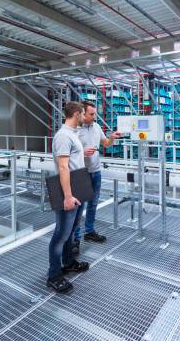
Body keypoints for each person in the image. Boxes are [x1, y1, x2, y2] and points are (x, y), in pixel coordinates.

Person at [46, 102, 89, 294]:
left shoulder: (72, 134)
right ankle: (54, 275)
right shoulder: (63, 136)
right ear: (77, 113)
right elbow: (63, 167)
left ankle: (69, 262)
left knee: (71, 230)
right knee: (61, 235)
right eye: (83, 114)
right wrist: (68, 196)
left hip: (77, 185)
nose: (85, 117)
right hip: (68, 191)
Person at [72, 101, 121, 254]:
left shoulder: (97, 127)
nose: (95, 116)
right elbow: (67, 153)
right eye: (91, 114)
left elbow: (105, 143)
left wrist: (111, 137)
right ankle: (75, 239)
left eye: (95, 113)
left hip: (95, 171)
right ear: (82, 114)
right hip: (81, 172)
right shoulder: (74, 130)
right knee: (79, 208)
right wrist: (82, 152)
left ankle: (89, 231)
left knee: (93, 204)